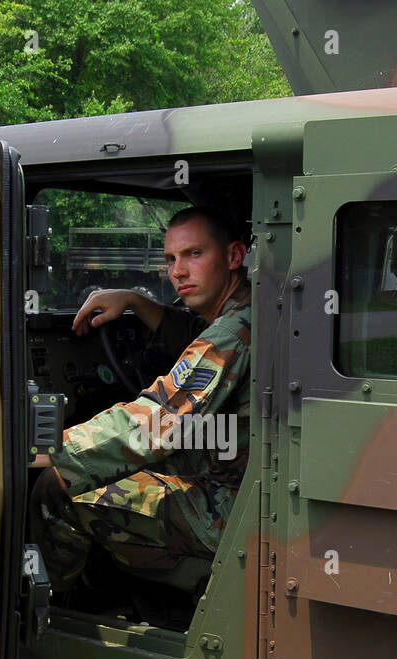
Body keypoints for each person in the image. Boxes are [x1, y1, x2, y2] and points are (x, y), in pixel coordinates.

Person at [28, 205, 252, 592]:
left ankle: (52, 611)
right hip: (241, 477)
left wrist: (44, 447)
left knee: (56, 487)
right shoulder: (244, 311)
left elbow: (159, 423)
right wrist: (134, 300)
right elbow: (196, 333)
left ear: (234, 256)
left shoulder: (234, 331)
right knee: (126, 464)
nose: (178, 271)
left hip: (233, 507)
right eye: (170, 259)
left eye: (194, 254)